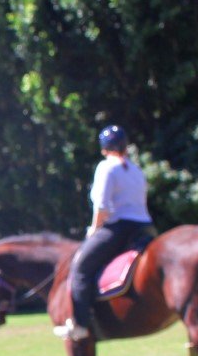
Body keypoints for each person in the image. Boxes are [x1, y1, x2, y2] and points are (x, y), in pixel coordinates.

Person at [61, 123, 153, 342]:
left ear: (104, 148)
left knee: (80, 266)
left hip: (119, 229)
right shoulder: (135, 170)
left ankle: (80, 325)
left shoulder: (106, 167)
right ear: (125, 146)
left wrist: (94, 229)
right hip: (144, 228)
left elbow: (102, 206)